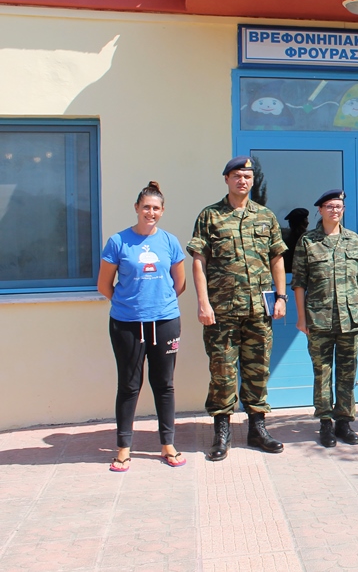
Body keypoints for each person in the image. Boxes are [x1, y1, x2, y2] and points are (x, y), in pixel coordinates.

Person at [188, 156, 288, 462]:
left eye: (247, 176)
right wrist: (203, 302)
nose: (242, 180)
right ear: (227, 179)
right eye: (236, 176)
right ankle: (222, 432)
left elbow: (277, 258)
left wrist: (281, 297)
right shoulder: (210, 216)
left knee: (258, 370)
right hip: (222, 311)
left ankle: (257, 429)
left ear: (252, 181)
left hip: (258, 309)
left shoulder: (266, 216)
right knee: (222, 372)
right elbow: (198, 260)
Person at [98, 182, 187, 472]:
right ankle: (124, 448)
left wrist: (158, 305)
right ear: (136, 208)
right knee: (129, 385)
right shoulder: (118, 242)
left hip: (165, 322)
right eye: (146, 207)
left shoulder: (170, 242)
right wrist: (130, 306)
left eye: (156, 208)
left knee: (164, 385)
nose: (151, 212)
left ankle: (168, 444)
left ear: (162, 211)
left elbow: (180, 284)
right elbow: (104, 284)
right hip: (126, 325)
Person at [292, 189, 358, 448]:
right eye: (330, 206)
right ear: (320, 210)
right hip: (319, 318)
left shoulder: (354, 240)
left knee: (347, 372)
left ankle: (344, 422)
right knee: (322, 372)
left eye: (338, 206)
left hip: (350, 319)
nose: (335, 211)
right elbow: (299, 282)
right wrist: (301, 318)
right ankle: (325, 422)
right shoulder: (307, 241)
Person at [282, 208, 309, 274]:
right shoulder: (308, 241)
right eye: (306, 220)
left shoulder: (285, 242)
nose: (308, 223)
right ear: (302, 223)